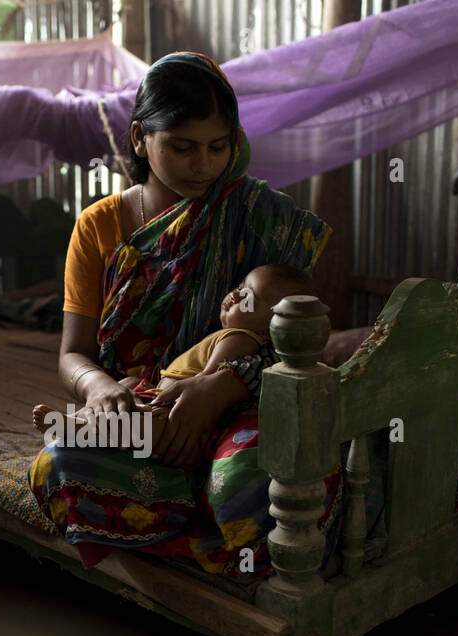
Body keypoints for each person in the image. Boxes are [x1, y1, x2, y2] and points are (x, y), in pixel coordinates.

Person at [30, 51, 342, 574]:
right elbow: (74, 355)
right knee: (56, 463)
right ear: (138, 139)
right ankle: (207, 530)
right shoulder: (98, 227)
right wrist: (100, 389)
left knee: (265, 471)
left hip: (238, 406)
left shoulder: (259, 220)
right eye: (182, 147)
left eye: (218, 147)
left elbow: (299, 340)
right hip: (145, 410)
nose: (203, 165)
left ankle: (192, 515)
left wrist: (217, 390)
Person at [30, 264, 319, 452]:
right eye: (241, 285)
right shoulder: (235, 334)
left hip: (176, 407)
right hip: (161, 390)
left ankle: (83, 427)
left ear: (273, 325)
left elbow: (205, 382)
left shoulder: (241, 339)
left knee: (148, 423)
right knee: (128, 383)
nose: (235, 294)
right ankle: (82, 420)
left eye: (249, 296)